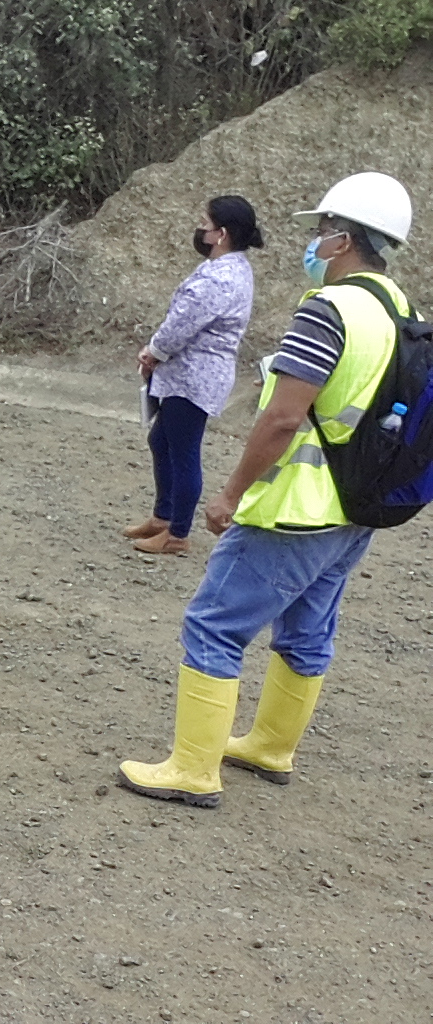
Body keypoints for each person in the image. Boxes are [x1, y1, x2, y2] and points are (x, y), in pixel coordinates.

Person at [118, 172, 415, 808]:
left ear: (343, 240)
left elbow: (283, 418)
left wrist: (229, 494)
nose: (315, 242)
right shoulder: (401, 312)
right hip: (355, 509)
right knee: (307, 631)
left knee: (214, 624)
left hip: (294, 509)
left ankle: (194, 769)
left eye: (322, 230)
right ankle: (271, 746)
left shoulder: (329, 309)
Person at [124, 196, 262, 556]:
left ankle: (177, 533)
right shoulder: (231, 268)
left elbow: (183, 323)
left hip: (194, 377)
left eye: (205, 223)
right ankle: (163, 517)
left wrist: (153, 351)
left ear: (221, 234)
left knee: (183, 451)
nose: (199, 228)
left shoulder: (220, 277)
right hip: (189, 374)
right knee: (162, 441)